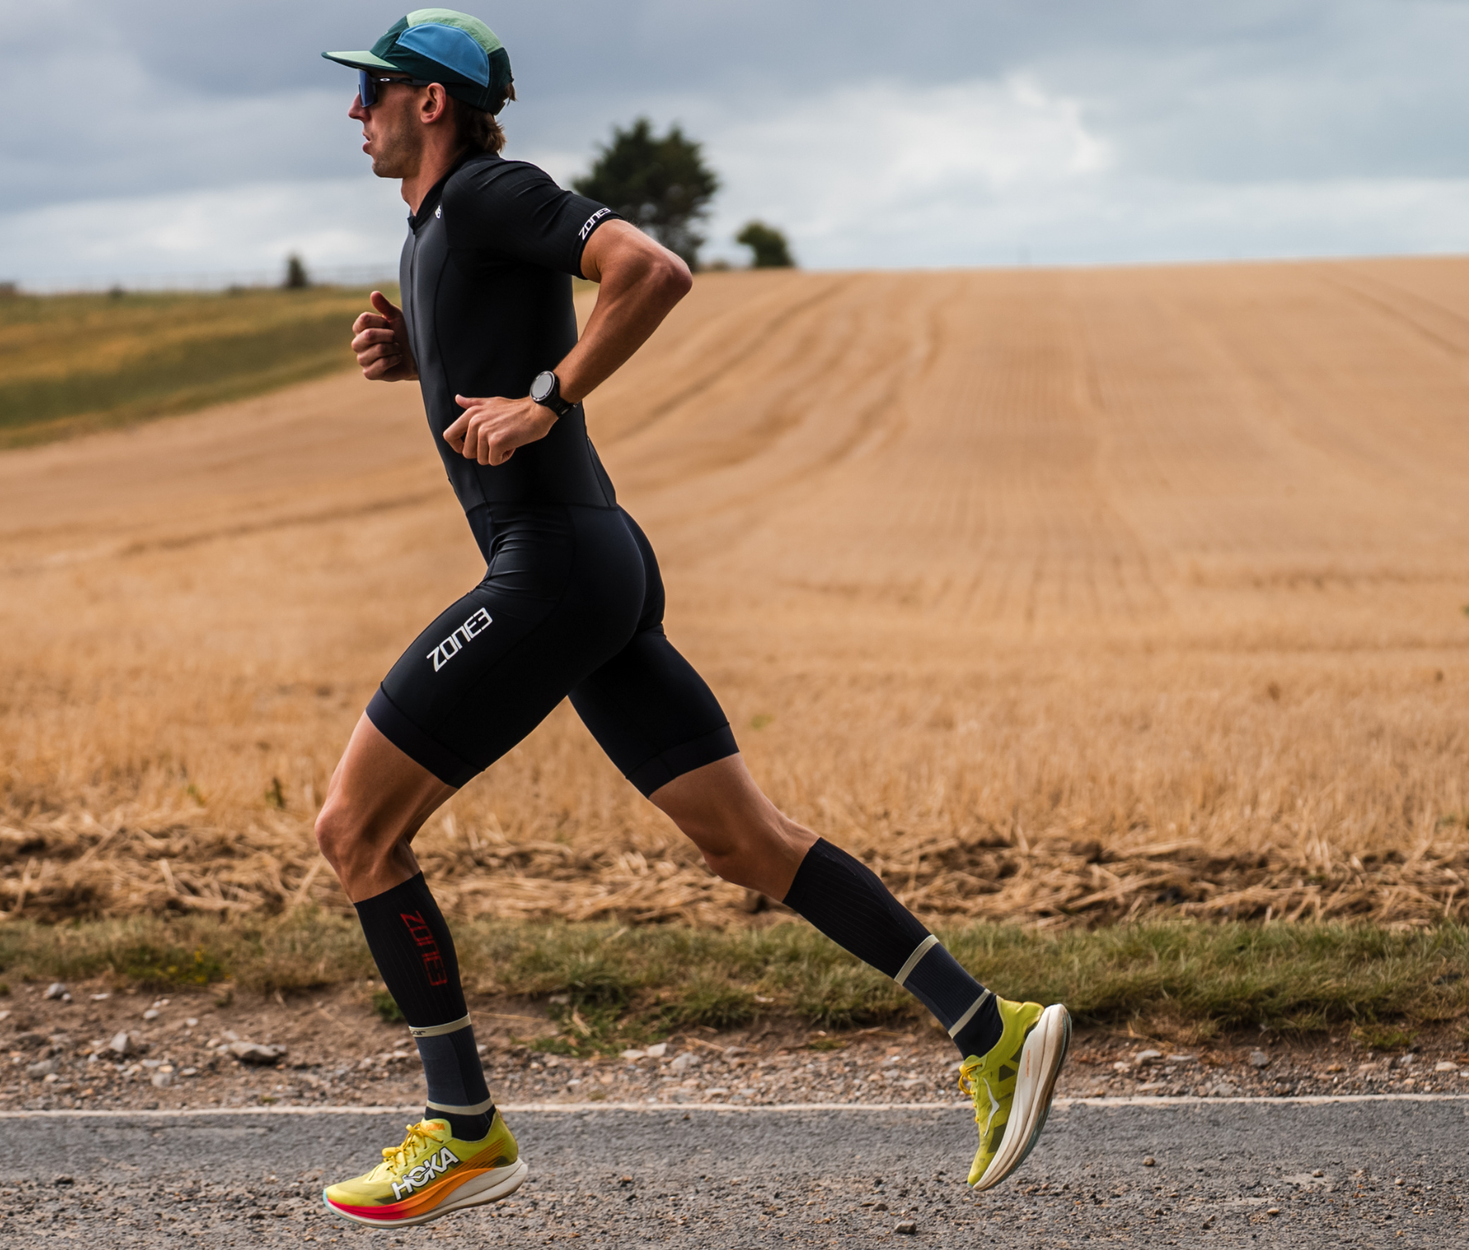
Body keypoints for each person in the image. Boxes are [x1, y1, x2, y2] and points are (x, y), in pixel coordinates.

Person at [312, 9, 1070, 1228]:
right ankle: (994, 1029)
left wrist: (548, 398)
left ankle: (464, 1130)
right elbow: (502, 348)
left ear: (433, 102)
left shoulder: (494, 192)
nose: (357, 113)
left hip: (551, 566)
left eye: (375, 93)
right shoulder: (437, 230)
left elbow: (651, 270)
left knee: (354, 829)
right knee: (747, 842)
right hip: (594, 564)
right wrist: (426, 358)